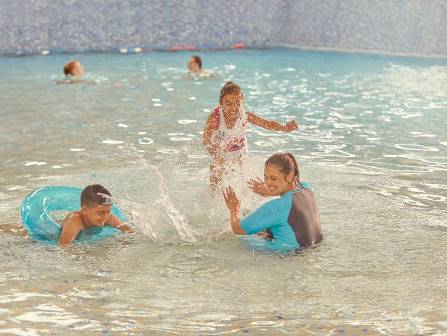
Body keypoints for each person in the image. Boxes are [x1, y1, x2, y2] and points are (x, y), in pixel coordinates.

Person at [203, 81, 299, 189]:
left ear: (241, 103)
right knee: (215, 171)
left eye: (237, 103)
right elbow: (206, 140)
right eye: (228, 104)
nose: (233, 108)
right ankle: (213, 197)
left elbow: (267, 123)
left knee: (237, 180)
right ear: (221, 104)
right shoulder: (214, 117)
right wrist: (215, 154)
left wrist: (284, 127)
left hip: (238, 150)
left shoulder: (244, 116)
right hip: (220, 149)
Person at [223, 153, 322, 253]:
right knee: (267, 228)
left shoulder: (277, 206)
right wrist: (271, 192)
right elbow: (292, 197)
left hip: (289, 254)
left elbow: (237, 229)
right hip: (312, 247)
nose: (267, 183)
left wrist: (234, 209)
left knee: (228, 238)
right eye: (266, 178)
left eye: (273, 178)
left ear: (290, 175)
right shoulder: (308, 188)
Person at [59, 184, 130, 245]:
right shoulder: (74, 221)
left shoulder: (107, 217)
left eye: (108, 212)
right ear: (84, 210)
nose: (106, 217)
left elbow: (130, 231)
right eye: (101, 212)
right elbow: (64, 247)